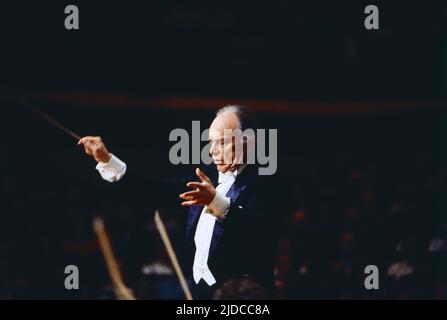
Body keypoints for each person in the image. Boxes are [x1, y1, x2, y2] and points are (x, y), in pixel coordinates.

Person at [78, 105, 281, 299]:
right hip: (199, 292)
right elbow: (157, 190)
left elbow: (259, 237)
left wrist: (216, 202)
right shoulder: (208, 175)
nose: (212, 151)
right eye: (211, 143)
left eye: (222, 142)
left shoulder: (269, 180)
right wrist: (108, 161)